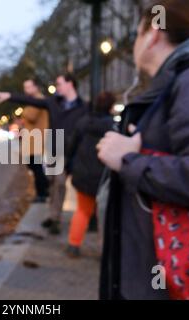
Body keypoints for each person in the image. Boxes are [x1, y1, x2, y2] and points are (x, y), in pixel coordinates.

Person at [97, 0, 189, 300]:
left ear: (154, 33)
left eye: (136, 34)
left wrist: (130, 160)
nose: (134, 44)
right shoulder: (182, 81)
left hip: (178, 282)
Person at [0, 73, 90, 235]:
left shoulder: (84, 107)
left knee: (80, 184)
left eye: (59, 84)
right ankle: (54, 217)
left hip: (75, 152)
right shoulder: (53, 103)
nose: (57, 87)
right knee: (57, 184)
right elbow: (31, 101)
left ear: (70, 84)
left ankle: (88, 216)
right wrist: (10, 96)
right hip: (56, 150)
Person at [65, 92, 115, 258]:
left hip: (83, 175)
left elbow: (71, 147)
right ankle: (104, 250)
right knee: (105, 216)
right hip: (103, 177)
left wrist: (69, 168)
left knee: (82, 211)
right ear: (111, 107)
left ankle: (73, 244)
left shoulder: (83, 122)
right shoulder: (113, 126)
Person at [20, 78, 50, 203]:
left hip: (36, 141)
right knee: (33, 166)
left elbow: (31, 116)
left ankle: (42, 193)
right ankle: (44, 189)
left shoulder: (37, 100)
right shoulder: (33, 101)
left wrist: (23, 111)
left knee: (36, 167)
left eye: (29, 87)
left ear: (36, 87)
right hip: (32, 141)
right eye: (25, 87)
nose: (26, 90)